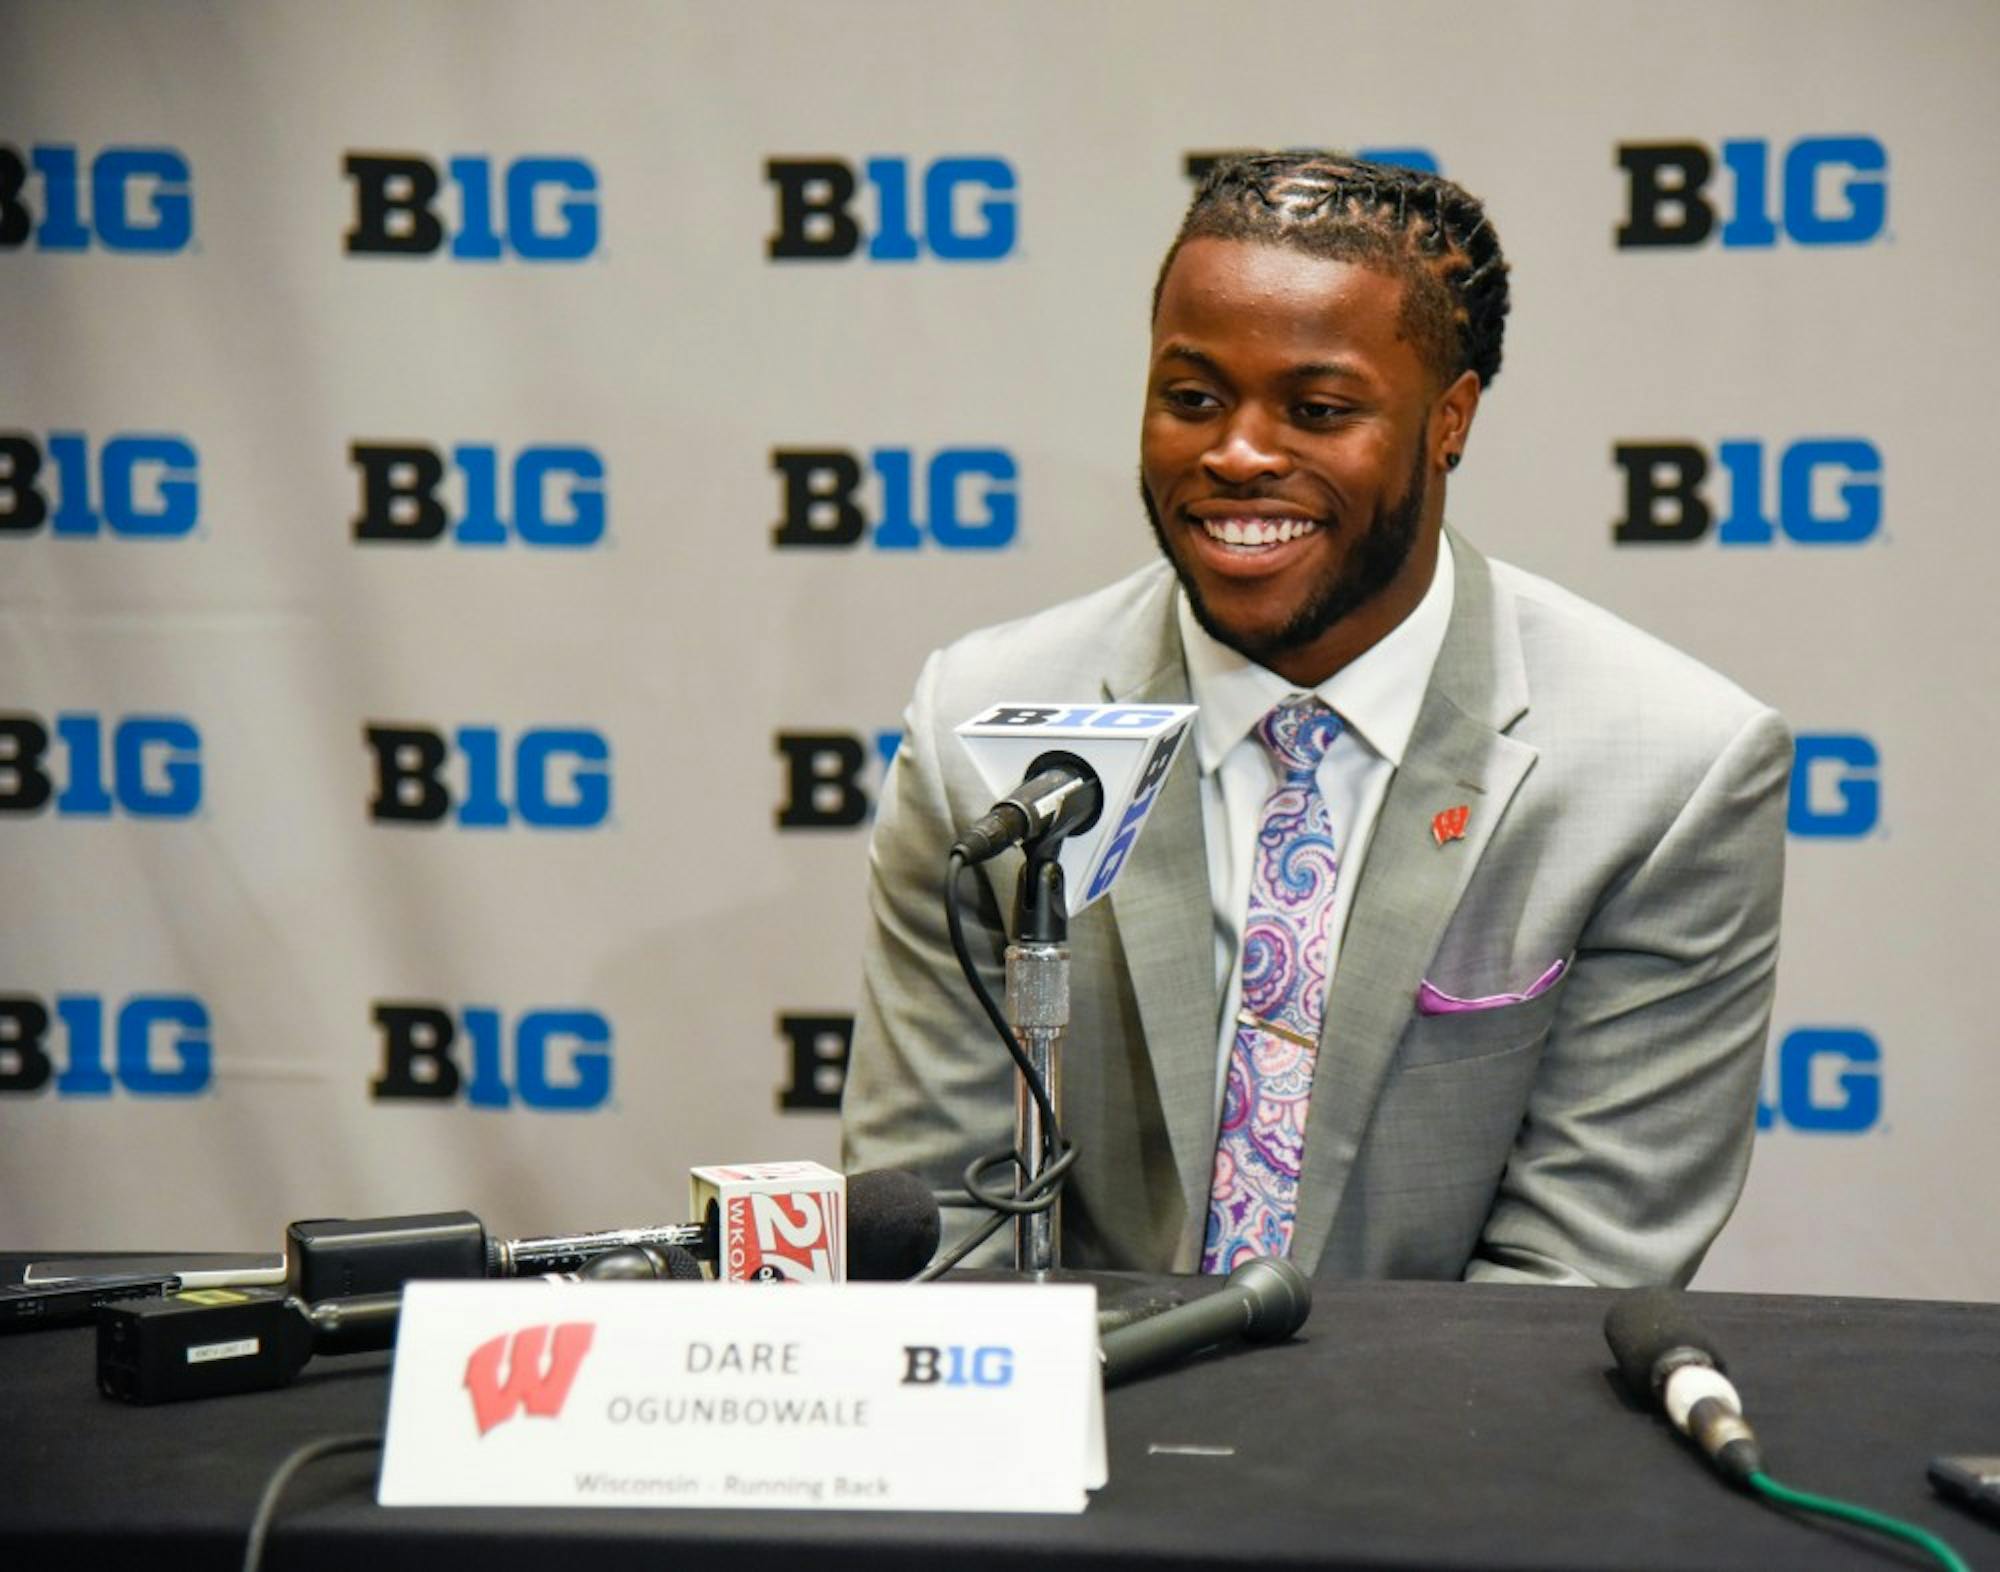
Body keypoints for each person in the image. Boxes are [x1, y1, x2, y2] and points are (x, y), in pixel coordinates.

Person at [840, 153, 1790, 1286]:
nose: (1235, 454)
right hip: (1080, 1431)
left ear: (1449, 420)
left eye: (1316, 410)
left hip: (1444, 1444)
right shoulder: (980, 727)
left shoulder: (1667, 771)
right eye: (1191, 398)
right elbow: (935, 1225)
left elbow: (1570, 1282)